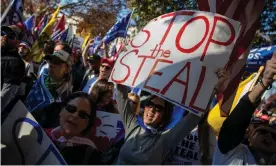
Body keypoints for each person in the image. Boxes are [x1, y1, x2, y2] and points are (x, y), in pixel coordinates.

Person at [213, 53, 276, 165]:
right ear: (250, 137)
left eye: (275, 136)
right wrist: (264, 83)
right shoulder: (231, 152)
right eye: (262, 131)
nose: (268, 136)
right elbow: (237, 119)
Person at [44, 92, 101, 165]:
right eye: (71, 108)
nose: (75, 115)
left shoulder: (90, 155)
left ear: (87, 124)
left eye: (83, 115)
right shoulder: (39, 135)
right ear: (61, 110)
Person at [25, 48, 73, 114]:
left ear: (67, 69)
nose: (51, 65)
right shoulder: (42, 77)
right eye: (51, 61)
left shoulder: (65, 96)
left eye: (57, 62)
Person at [1, 25, 25, 111]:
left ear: (18, 42)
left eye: (11, 36)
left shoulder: (16, 63)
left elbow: (5, 97)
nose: (5, 37)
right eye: (3, 33)